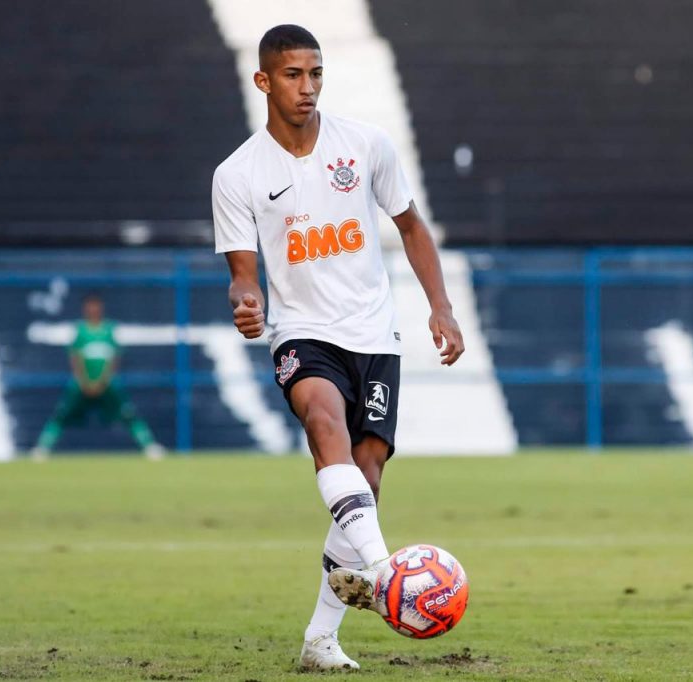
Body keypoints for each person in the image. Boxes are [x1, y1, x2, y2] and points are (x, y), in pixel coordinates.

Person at [212, 24, 465, 671]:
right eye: (293, 75)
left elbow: (410, 225)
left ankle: (321, 639)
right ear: (263, 80)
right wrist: (246, 301)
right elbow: (244, 271)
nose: (307, 87)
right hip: (302, 332)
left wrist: (440, 306)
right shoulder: (238, 173)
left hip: (374, 334)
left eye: (316, 73)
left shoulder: (366, 145)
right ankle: (385, 574)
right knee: (323, 420)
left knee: (368, 475)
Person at [30, 293, 165, 460]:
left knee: (128, 414)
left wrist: (102, 381)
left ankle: (149, 446)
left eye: (96, 305)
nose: (93, 309)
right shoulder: (80, 331)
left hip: (106, 383)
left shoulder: (109, 330)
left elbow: (114, 358)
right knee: (61, 414)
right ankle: (42, 448)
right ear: (85, 308)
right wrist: (85, 381)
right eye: (90, 305)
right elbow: (75, 357)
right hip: (82, 384)